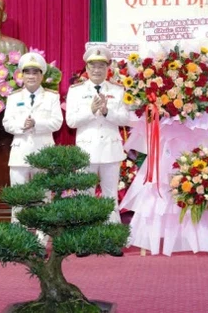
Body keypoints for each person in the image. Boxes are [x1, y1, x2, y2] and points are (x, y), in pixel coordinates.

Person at [66, 46, 130, 257]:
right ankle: (85, 240)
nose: (97, 69)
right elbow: (71, 121)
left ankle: (111, 239)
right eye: (93, 65)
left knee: (110, 196)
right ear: (86, 67)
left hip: (111, 149)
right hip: (86, 150)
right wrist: (91, 111)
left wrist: (106, 111)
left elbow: (125, 119)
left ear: (107, 68)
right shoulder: (76, 91)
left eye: (101, 65)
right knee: (85, 194)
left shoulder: (117, 90)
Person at [2, 52, 63, 223]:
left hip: (43, 153)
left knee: (43, 198)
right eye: (27, 72)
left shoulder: (52, 97)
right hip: (19, 154)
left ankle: (41, 239)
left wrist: (36, 123)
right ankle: (18, 241)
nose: (31, 76)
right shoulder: (14, 98)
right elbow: (7, 123)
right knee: (18, 200)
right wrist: (23, 125)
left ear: (42, 75)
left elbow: (57, 122)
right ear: (21, 74)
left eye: (35, 72)